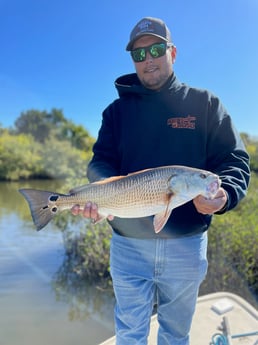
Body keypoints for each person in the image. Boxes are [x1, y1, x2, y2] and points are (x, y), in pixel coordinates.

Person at [72, 17, 250, 345]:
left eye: (155, 49)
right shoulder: (115, 112)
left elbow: (234, 161)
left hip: (186, 245)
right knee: (129, 334)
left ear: (173, 52)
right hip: (127, 245)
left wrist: (223, 196)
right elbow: (101, 161)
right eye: (139, 55)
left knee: (175, 335)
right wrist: (99, 191)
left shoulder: (205, 104)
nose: (148, 59)